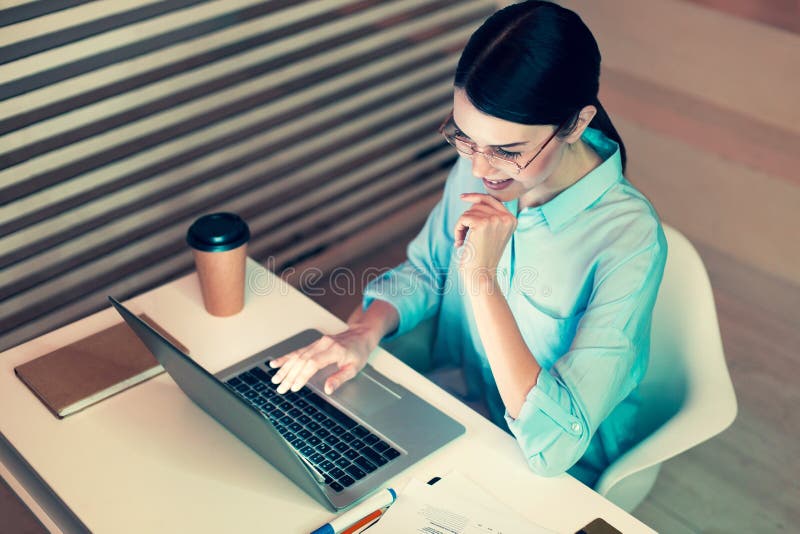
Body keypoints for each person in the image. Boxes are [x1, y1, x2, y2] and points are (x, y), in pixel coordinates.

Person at [268, 0, 667, 487]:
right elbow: (428, 269)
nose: (478, 169)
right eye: (465, 139)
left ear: (576, 124)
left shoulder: (631, 240)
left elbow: (555, 445)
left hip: (557, 474)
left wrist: (482, 279)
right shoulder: (483, 165)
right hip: (459, 410)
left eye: (506, 151)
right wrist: (364, 332)